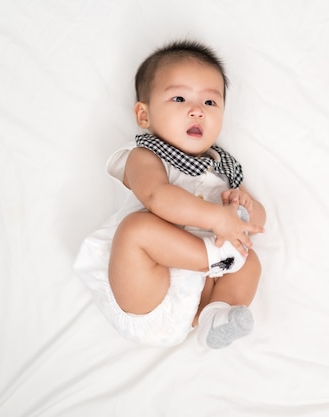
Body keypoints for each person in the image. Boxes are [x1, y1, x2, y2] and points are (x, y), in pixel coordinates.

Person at [74, 40, 266, 349]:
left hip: (195, 300)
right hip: (146, 292)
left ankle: (215, 316)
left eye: (210, 103)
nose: (196, 111)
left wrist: (245, 208)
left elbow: (256, 222)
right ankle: (214, 262)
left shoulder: (225, 169)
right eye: (179, 98)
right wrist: (217, 218)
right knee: (137, 229)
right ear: (144, 115)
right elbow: (157, 197)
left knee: (250, 260)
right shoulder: (145, 156)